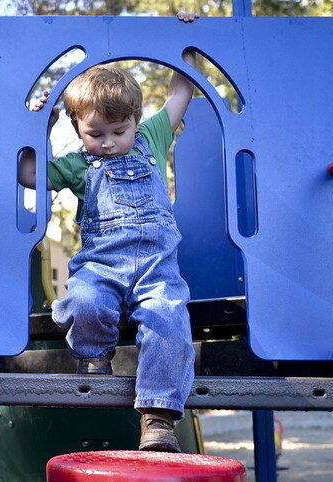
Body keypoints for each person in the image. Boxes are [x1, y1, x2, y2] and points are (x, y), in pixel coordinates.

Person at [18, 12, 199, 453]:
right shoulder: (78, 164)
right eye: (95, 133)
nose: (110, 142)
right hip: (100, 266)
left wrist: (186, 40)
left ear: (136, 120)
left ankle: (158, 418)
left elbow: (182, 90)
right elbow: (28, 174)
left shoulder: (153, 135)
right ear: (77, 128)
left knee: (169, 321)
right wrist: (36, 125)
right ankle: (95, 359)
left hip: (157, 269)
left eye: (119, 131)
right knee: (82, 300)